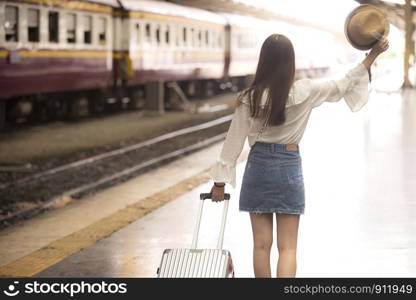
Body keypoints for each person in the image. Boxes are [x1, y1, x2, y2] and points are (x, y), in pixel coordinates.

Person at [209, 34, 389, 278]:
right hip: (288, 168)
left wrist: (219, 183)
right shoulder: (306, 90)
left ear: (263, 62)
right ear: (290, 62)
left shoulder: (248, 98)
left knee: (261, 246)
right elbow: (344, 83)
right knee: (288, 248)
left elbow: (234, 141)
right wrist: (373, 55)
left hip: (258, 168)